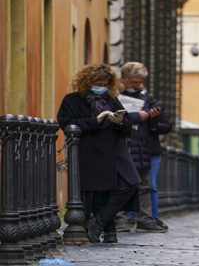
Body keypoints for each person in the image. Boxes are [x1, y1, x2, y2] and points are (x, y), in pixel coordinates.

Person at [57, 64, 141, 244]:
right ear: (87, 82)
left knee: (130, 182)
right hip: (91, 151)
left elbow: (126, 123)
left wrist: (119, 121)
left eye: (104, 83)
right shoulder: (72, 100)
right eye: (98, 83)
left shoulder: (111, 99)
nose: (101, 86)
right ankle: (109, 231)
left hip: (115, 151)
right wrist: (95, 121)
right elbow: (66, 123)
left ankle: (98, 223)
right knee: (100, 192)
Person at [120, 62, 173, 233]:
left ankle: (146, 218)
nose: (137, 86)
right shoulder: (115, 98)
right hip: (123, 146)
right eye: (134, 82)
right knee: (120, 184)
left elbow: (165, 125)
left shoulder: (149, 101)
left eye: (140, 82)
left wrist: (152, 120)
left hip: (143, 148)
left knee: (145, 186)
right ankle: (120, 219)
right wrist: (136, 116)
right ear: (124, 78)